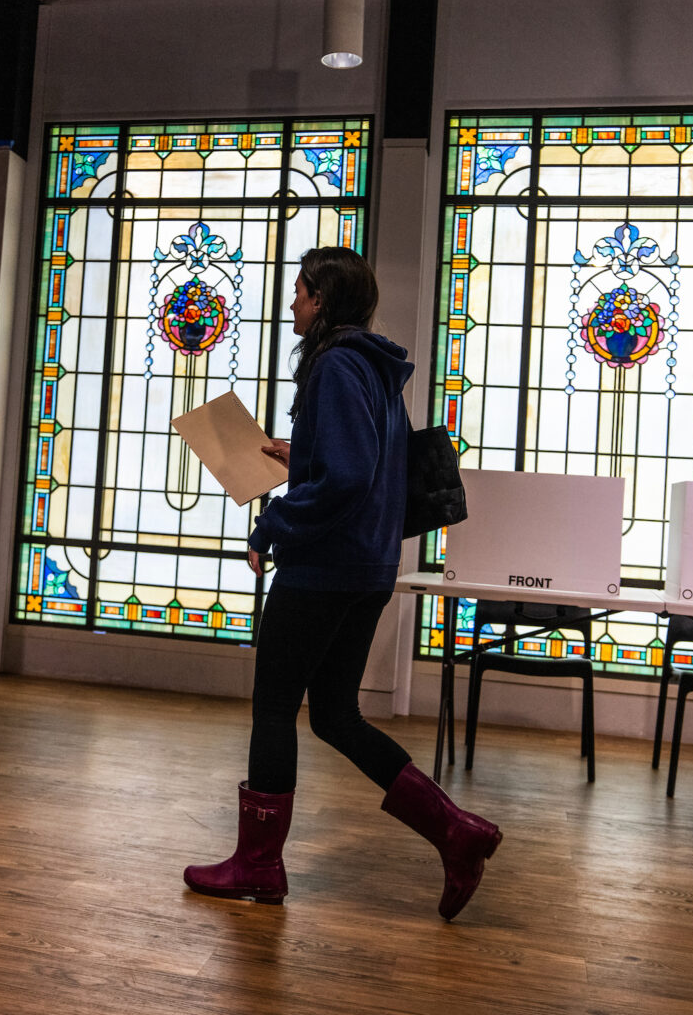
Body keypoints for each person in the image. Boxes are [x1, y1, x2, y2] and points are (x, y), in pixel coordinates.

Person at [183, 245, 502, 921]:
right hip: (367, 566)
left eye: (300, 290)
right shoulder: (374, 368)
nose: (293, 302)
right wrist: (304, 455)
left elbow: (350, 478)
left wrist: (272, 526)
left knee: (274, 706)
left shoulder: (333, 366)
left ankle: (259, 865)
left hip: (324, 566)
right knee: (333, 713)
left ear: (323, 299)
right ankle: (456, 831)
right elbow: (362, 461)